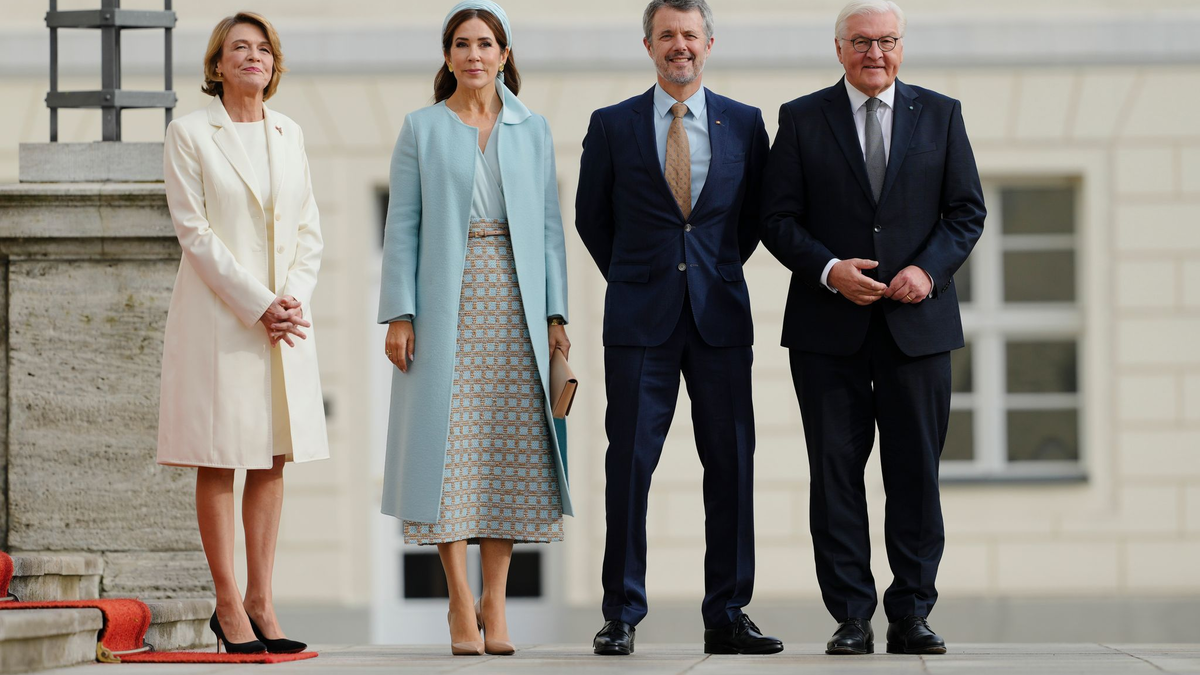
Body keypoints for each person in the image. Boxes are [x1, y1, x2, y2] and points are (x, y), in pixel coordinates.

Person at [761, 0, 986, 657]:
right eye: (861, 42)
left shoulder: (941, 115)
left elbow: (966, 210)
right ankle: (852, 616)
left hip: (919, 327)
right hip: (828, 332)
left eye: (887, 41)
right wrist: (830, 269)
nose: (875, 53)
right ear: (838, 49)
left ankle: (911, 613)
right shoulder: (801, 119)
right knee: (834, 476)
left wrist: (930, 270)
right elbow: (777, 219)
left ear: (902, 47)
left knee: (915, 474)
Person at [576, 0, 781, 657]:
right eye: (667, 35)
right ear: (648, 45)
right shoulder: (612, 125)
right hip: (640, 321)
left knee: (731, 464)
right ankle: (622, 612)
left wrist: (707, 270)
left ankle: (727, 613)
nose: (679, 45)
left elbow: (754, 218)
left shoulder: (745, 125)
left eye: (689, 34)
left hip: (719, 315)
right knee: (630, 463)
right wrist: (642, 275)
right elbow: (591, 217)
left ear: (709, 43)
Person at [377, 0, 572, 657]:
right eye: (462, 43)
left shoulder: (532, 127)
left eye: (486, 43)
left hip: (517, 301)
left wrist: (556, 316)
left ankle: (497, 600)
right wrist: (399, 312)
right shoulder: (421, 128)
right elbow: (402, 225)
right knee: (447, 456)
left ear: (505, 54)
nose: (474, 54)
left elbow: (549, 227)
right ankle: (460, 601)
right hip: (444, 301)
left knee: (507, 452)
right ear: (448, 56)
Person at [158, 11, 326, 655]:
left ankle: (262, 600)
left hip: (283, 321)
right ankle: (227, 603)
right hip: (220, 318)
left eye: (263, 49)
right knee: (221, 451)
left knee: (273, 452)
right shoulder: (190, 133)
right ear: (217, 65)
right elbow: (194, 232)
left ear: (273, 64)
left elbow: (309, 228)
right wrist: (258, 304)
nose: (252, 57)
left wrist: (291, 302)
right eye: (239, 49)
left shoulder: (291, 133)